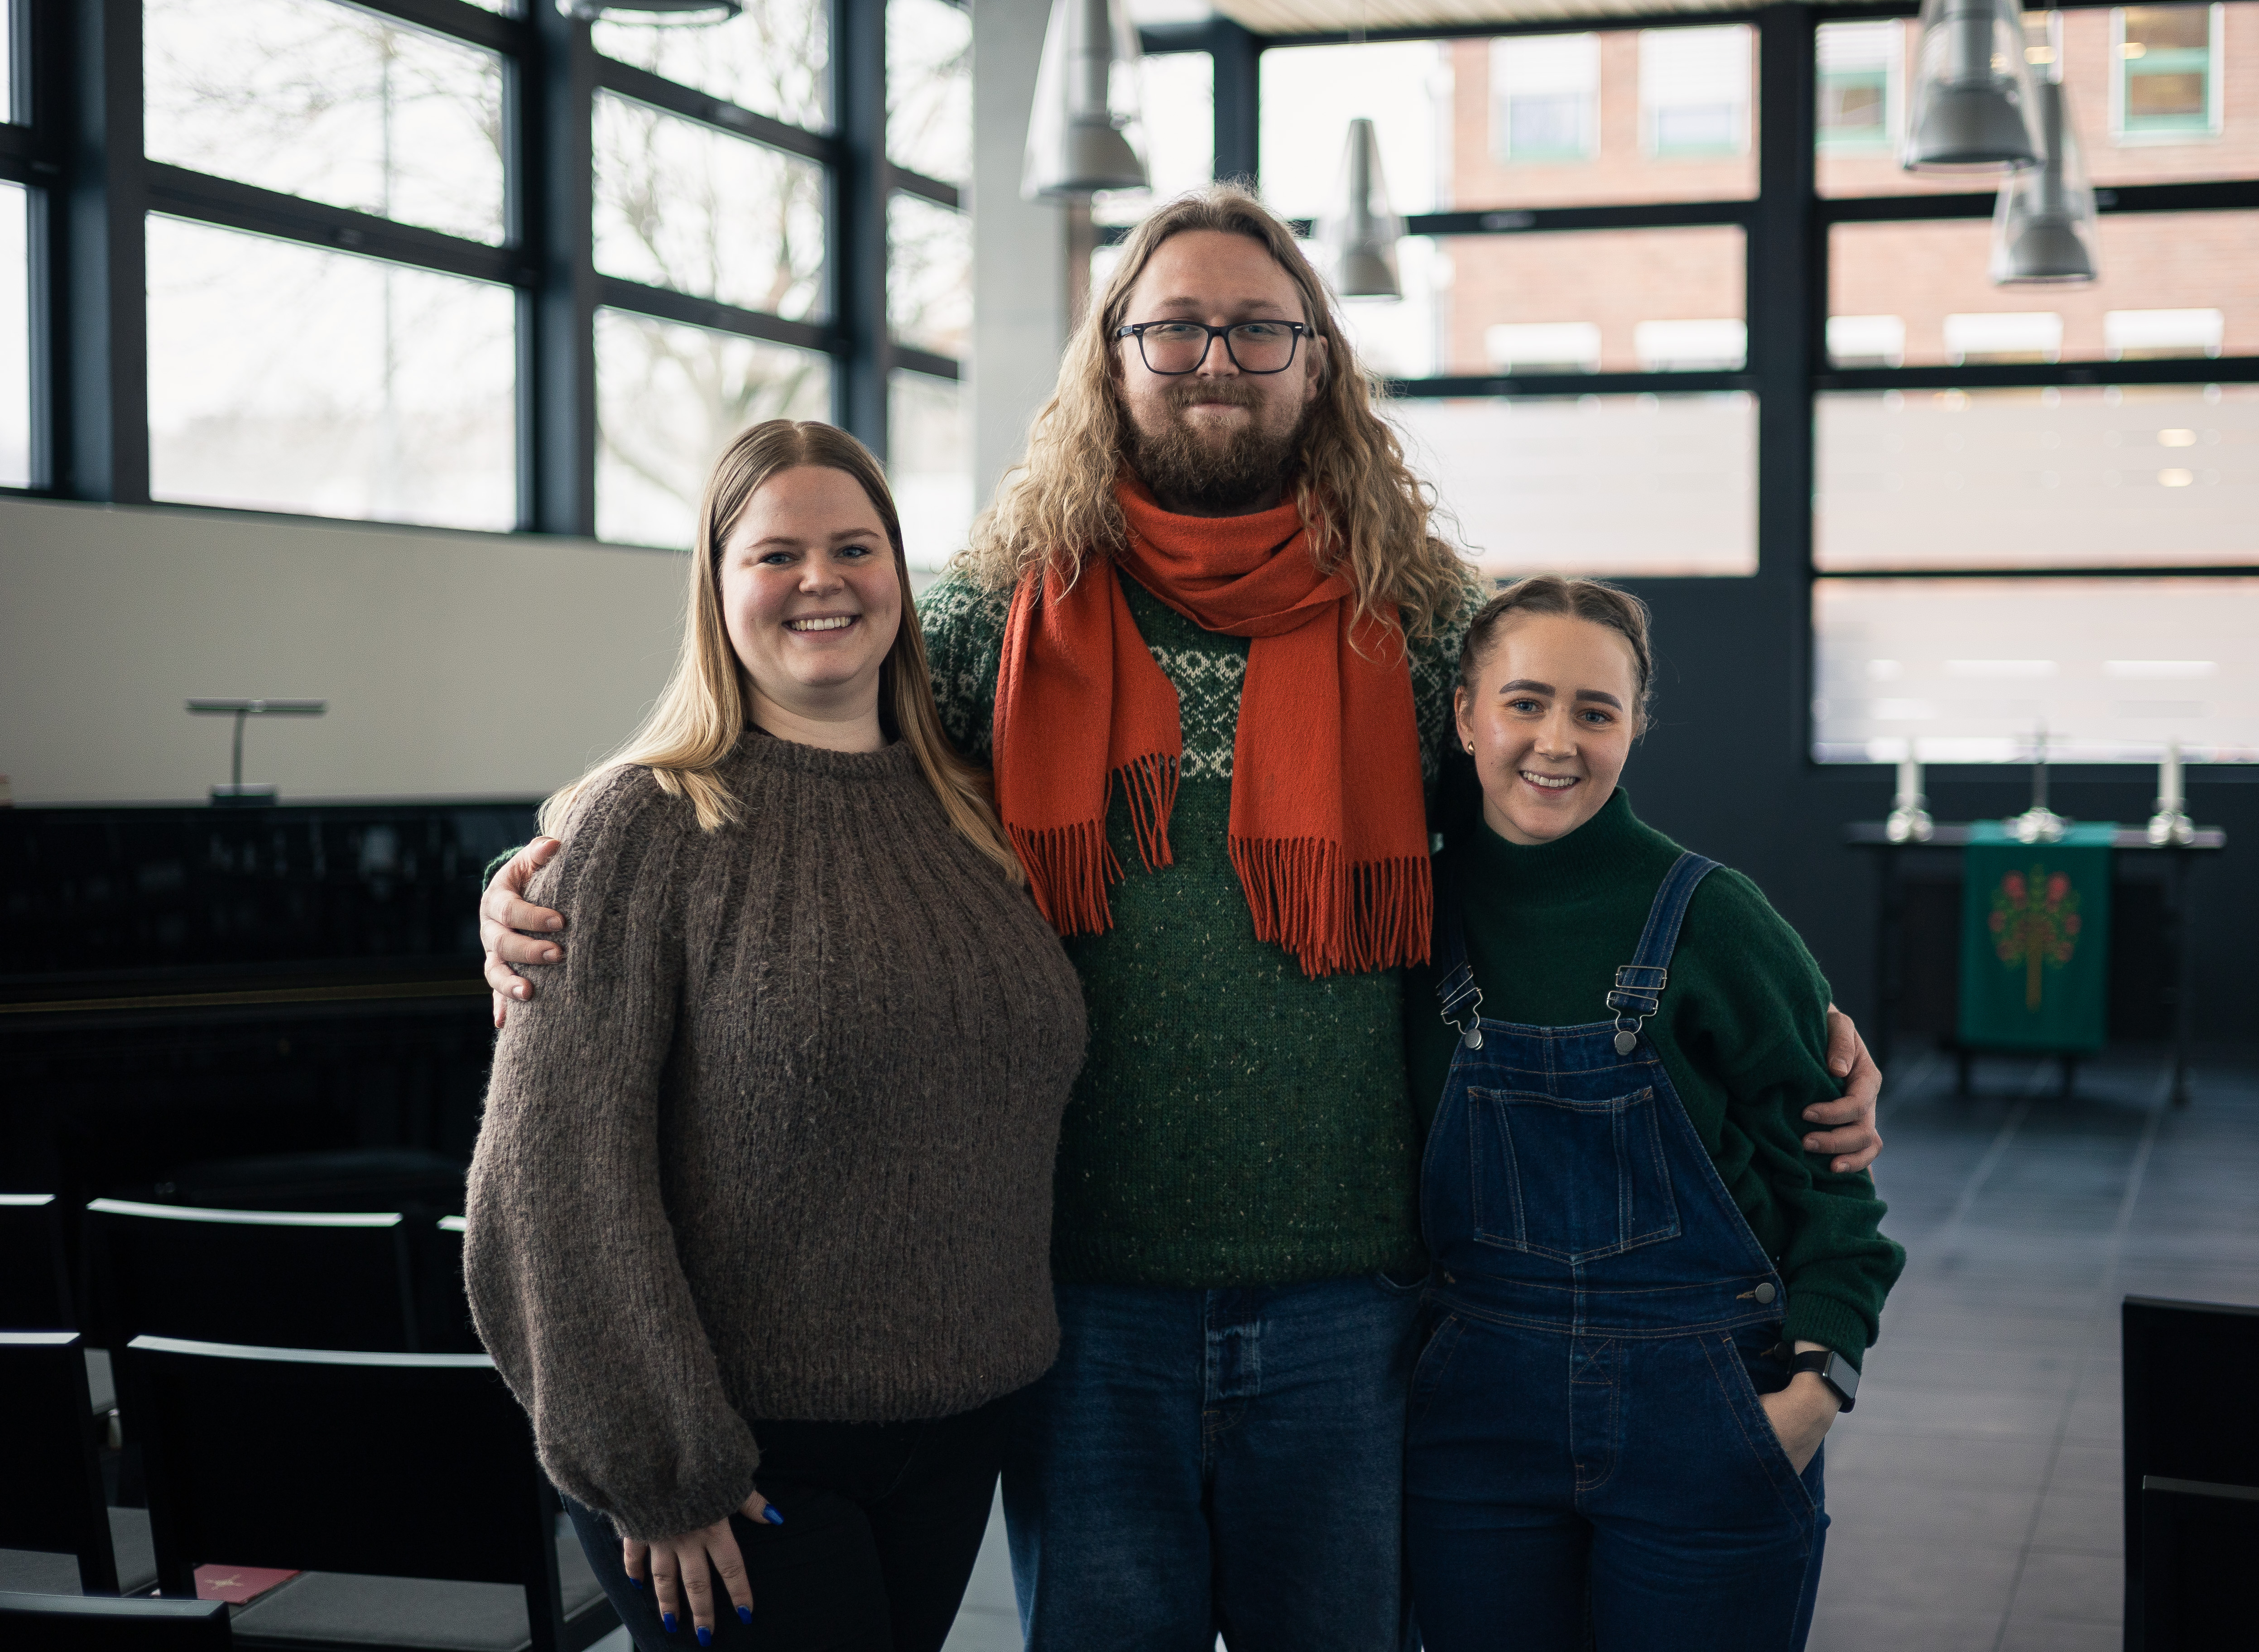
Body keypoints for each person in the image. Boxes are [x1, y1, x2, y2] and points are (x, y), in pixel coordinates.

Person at [478, 184, 1886, 1648]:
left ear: (1317, 362)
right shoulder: (986, 622)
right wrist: (551, 867)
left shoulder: (1418, 626)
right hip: (1076, 1301)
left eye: (1259, 329)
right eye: (1177, 329)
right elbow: (788, 770)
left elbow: (1552, 854)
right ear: (1112, 357)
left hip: (1352, 1291)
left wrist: (1785, 1036)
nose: (1217, 358)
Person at [462, 421, 1088, 1652]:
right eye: (776, 553)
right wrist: (661, 1465)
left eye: (856, 547)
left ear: (900, 582)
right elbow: (548, 1183)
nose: (822, 579)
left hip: (958, 1426)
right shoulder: (637, 825)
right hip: (736, 1453)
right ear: (716, 582)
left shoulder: (971, 812)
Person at [1403, 576, 1904, 1651]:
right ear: (1464, 715)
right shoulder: (1408, 914)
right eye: (1525, 702)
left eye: (1597, 712)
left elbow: (1834, 1188)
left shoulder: (1715, 919)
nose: (1557, 741)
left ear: (1636, 728)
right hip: (1474, 1428)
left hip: (1709, 1420)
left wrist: (1820, 1386)